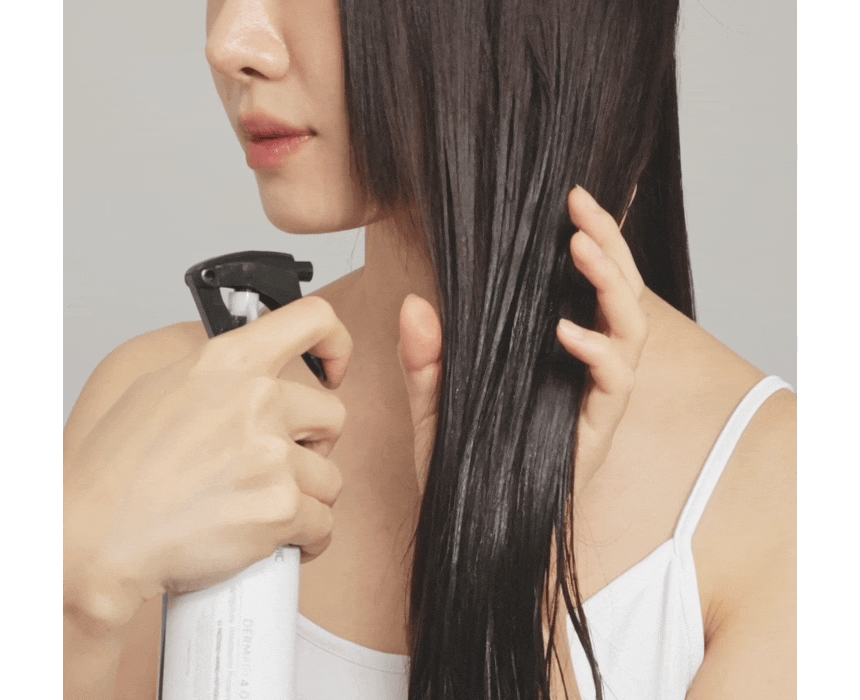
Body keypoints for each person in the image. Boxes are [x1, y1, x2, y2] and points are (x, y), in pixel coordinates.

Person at [63, 0, 796, 698]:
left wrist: (518, 576)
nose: (229, 43)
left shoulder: (781, 502)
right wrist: (75, 596)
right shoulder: (154, 404)